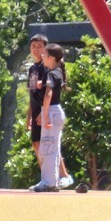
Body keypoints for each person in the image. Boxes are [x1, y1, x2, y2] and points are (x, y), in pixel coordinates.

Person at [26, 34, 73, 189]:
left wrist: (42, 113)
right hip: (37, 110)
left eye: (40, 47)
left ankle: (61, 176)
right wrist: (29, 115)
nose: (37, 50)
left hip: (46, 110)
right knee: (37, 144)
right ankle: (46, 178)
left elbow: (48, 93)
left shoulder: (47, 68)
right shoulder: (33, 68)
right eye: (34, 46)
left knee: (48, 144)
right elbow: (32, 93)